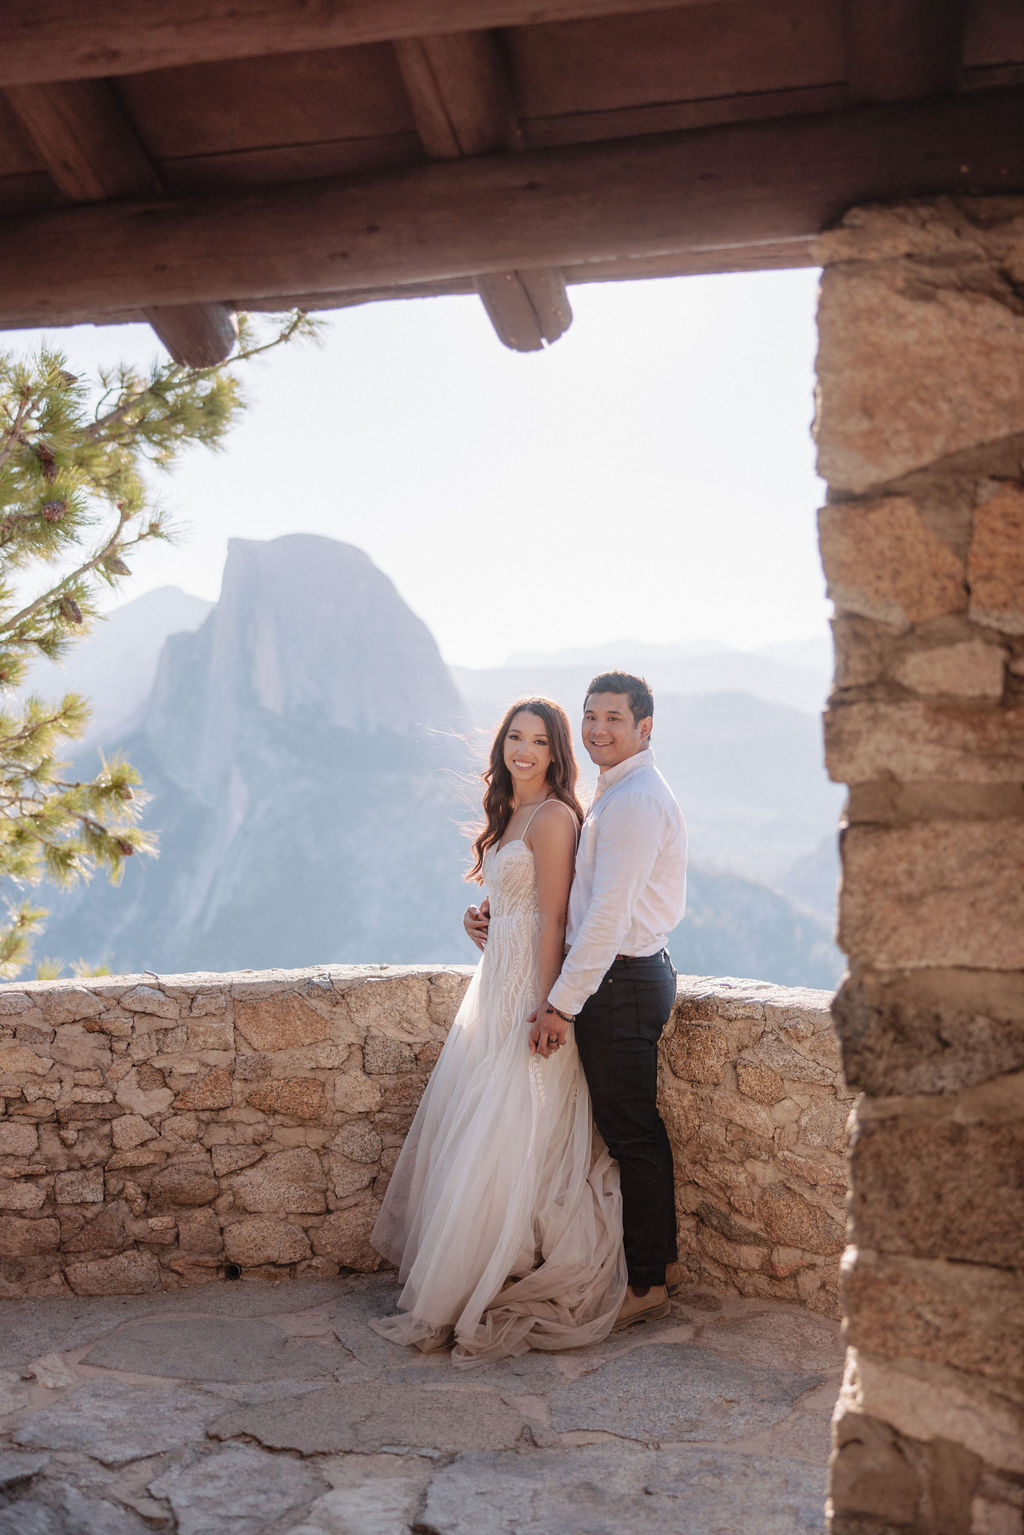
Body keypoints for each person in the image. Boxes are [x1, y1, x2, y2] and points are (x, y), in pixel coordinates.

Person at [370, 698, 627, 1366]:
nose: (525, 749)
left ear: (555, 752)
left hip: (528, 990)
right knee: (482, 1120)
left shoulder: (554, 817)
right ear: (502, 745)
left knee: (514, 1122)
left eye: (539, 740)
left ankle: (500, 1267)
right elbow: (512, 906)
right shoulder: (508, 812)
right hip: (495, 978)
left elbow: (552, 921)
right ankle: (478, 1259)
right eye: (516, 736)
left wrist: (547, 1007)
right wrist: (476, 923)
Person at [525, 671, 687, 1331]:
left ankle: (646, 1283)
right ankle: (662, 1264)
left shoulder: (637, 801)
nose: (597, 729)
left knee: (631, 1133)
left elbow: (608, 920)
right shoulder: (617, 790)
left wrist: (561, 1004)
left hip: (621, 982)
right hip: (622, 978)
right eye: (590, 716)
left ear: (645, 728)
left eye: (613, 719)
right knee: (631, 1129)